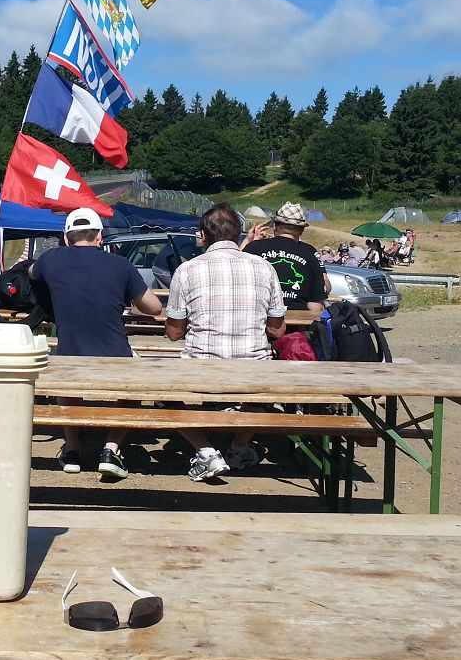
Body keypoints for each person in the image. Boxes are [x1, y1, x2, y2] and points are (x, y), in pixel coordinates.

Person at [30, 207, 162, 480]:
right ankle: (111, 448)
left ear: (66, 238)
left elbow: (31, 272)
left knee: (65, 380)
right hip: (115, 356)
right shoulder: (121, 265)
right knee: (133, 386)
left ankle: (73, 449)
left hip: (70, 355)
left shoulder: (50, 260)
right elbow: (154, 307)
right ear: (100, 236)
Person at [166, 205, 285, 481]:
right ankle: (239, 448)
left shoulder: (186, 270)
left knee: (161, 397)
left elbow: (173, 333)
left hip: (201, 370)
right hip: (253, 370)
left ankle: (206, 450)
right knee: (260, 394)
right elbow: (277, 330)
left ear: (203, 235)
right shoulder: (264, 268)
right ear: (238, 233)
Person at [240, 202, 329, 313]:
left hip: (259, 317)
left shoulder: (254, 248)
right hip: (297, 319)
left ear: (275, 226)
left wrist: (248, 240)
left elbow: (233, 269)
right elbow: (315, 305)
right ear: (301, 230)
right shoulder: (310, 253)